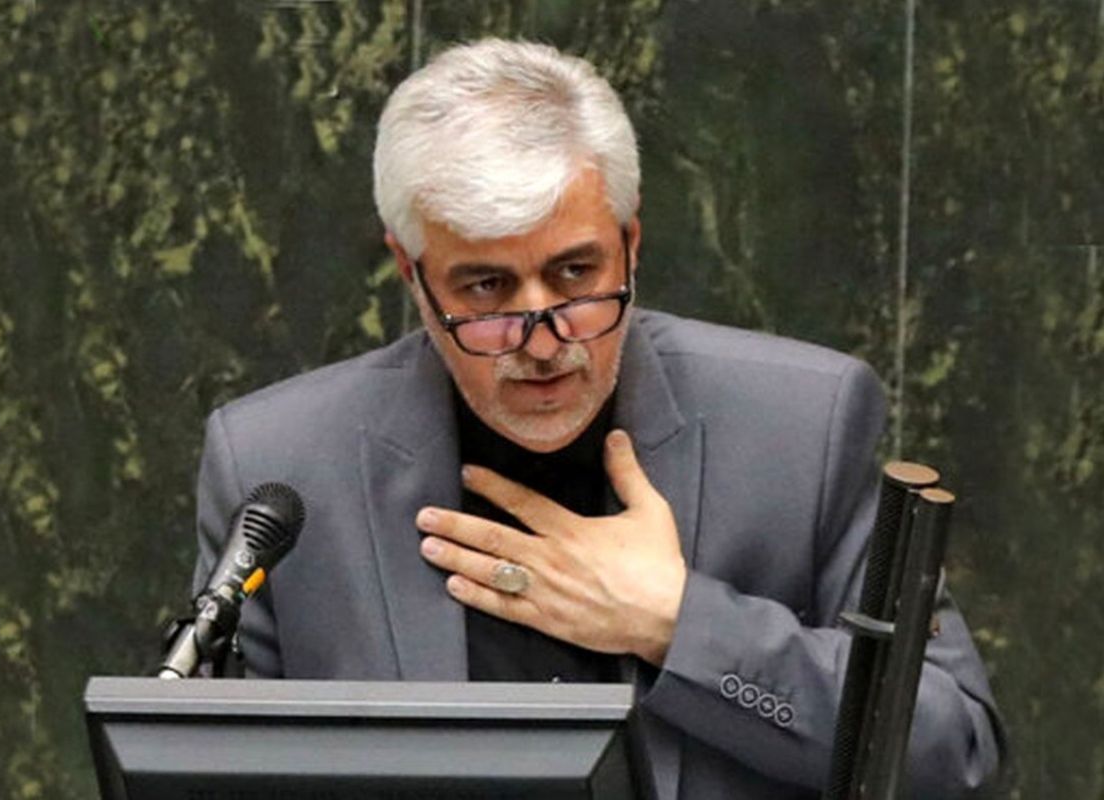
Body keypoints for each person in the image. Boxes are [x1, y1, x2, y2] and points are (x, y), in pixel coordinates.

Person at [193, 38, 1003, 798]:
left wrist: (679, 625)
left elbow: (955, 751)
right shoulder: (283, 464)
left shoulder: (803, 427)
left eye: (576, 273)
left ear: (631, 242)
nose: (543, 340)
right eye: (486, 289)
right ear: (412, 272)